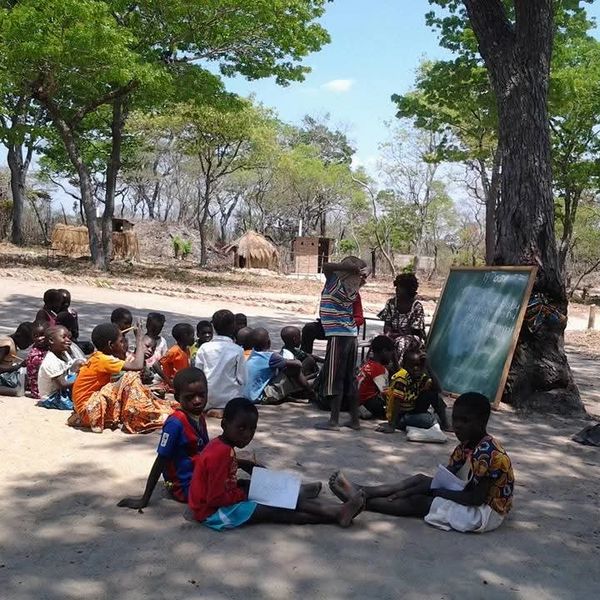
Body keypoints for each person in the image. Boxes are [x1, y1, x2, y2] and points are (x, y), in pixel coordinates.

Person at [329, 392, 514, 533]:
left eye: (464, 421)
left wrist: (433, 491)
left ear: (482, 422)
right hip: (469, 494)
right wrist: (421, 487)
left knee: (421, 501)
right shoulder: (466, 445)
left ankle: (362, 502)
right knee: (419, 480)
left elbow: (475, 499)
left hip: (484, 512)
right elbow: (447, 476)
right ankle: (364, 490)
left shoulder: (491, 455)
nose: (457, 425)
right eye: (455, 419)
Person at [188, 397, 366, 530]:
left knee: (269, 491)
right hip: (211, 513)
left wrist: (244, 468)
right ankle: (335, 514)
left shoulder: (223, 446)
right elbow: (215, 498)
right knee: (272, 508)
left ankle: (308, 497)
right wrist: (244, 494)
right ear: (224, 425)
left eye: (252, 429)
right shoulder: (220, 453)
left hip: (220, 499)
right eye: (241, 428)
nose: (247, 434)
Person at [118, 368, 210, 509]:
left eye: (201, 395)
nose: (197, 401)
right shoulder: (175, 423)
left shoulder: (199, 417)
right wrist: (144, 499)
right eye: (190, 397)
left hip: (200, 477)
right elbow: (161, 460)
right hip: (185, 487)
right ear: (178, 398)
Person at [70, 322, 174, 433]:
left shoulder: (98, 357)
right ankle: (141, 416)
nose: (124, 343)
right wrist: (139, 339)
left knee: (128, 382)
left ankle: (143, 412)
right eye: (121, 341)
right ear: (111, 345)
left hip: (86, 408)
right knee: (130, 377)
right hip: (88, 410)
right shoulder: (103, 360)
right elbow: (137, 366)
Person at [316, 256, 368, 431]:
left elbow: (325, 265)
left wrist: (347, 267)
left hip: (338, 335)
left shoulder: (335, 284)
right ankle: (354, 420)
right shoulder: (353, 288)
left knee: (335, 377)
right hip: (350, 335)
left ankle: (334, 420)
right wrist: (356, 271)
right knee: (349, 378)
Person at [376, 350, 449, 433]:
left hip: (412, 409)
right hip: (400, 416)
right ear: (404, 365)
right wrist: (392, 426)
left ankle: (445, 424)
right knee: (428, 420)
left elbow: (438, 389)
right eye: (412, 366)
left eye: (419, 365)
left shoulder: (420, 375)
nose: (415, 369)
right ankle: (398, 424)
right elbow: (397, 402)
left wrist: (428, 367)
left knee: (434, 395)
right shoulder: (402, 378)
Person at [194, 310, 246, 417]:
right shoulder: (237, 350)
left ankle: (212, 408)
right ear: (233, 326)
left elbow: (198, 374)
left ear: (214, 327)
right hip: (230, 400)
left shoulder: (204, 348)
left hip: (207, 399)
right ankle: (223, 410)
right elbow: (242, 379)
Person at [244, 328, 313, 404]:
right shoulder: (271, 357)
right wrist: (292, 360)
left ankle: (301, 391)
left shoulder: (253, 353)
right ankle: (311, 393)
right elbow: (298, 364)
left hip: (247, 395)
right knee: (293, 369)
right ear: (269, 342)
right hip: (260, 397)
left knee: (282, 368)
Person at [378, 273, 426, 365]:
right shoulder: (391, 303)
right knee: (377, 341)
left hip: (412, 338)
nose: (397, 290)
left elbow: (416, 331)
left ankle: (396, 371)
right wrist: (387, 334)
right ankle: (372, 371)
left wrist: (397, 335)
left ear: (408, 290)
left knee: (400, 343)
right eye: (396, 287)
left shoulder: (416, 306)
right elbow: (387, 324)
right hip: (393, 335)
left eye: (400, 288)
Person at [37, 325, 85, 410]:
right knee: (79, 404)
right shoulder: (50, 361)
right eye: (64, 337)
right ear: (51, 340)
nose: (68, 340)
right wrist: (82, 379)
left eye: (68, 337)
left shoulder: (63, 353)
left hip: (62, 388)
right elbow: (62, 384)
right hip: (52, 396)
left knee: (80, 363)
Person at [356, 335, 396, 420]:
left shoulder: (367, 363)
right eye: (391, 353)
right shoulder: (378, 369)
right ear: (384, 351)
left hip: (357, 400)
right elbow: (385, 392)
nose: (391, 357)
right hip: (368, 402)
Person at [154, 323, 194, 392]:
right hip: (171, 388)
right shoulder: (174, 351)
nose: (193, 338)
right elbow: (156, 364)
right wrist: (169, 381)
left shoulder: (187, 350)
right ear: (185, 336)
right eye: (192, 335)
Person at [0, 322, 34, 396]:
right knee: (18, 390)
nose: (28, 345)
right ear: (18, 335)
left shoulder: (12, 344)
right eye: (27, 342)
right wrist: (17, 367)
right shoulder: (6, 345)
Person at [24, 321, 49, 399]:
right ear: (32, 338)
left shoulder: (46, 349)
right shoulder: (35, 355)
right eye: (36, 336)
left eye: (42, 335)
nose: (39, 338)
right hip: (40, 391)